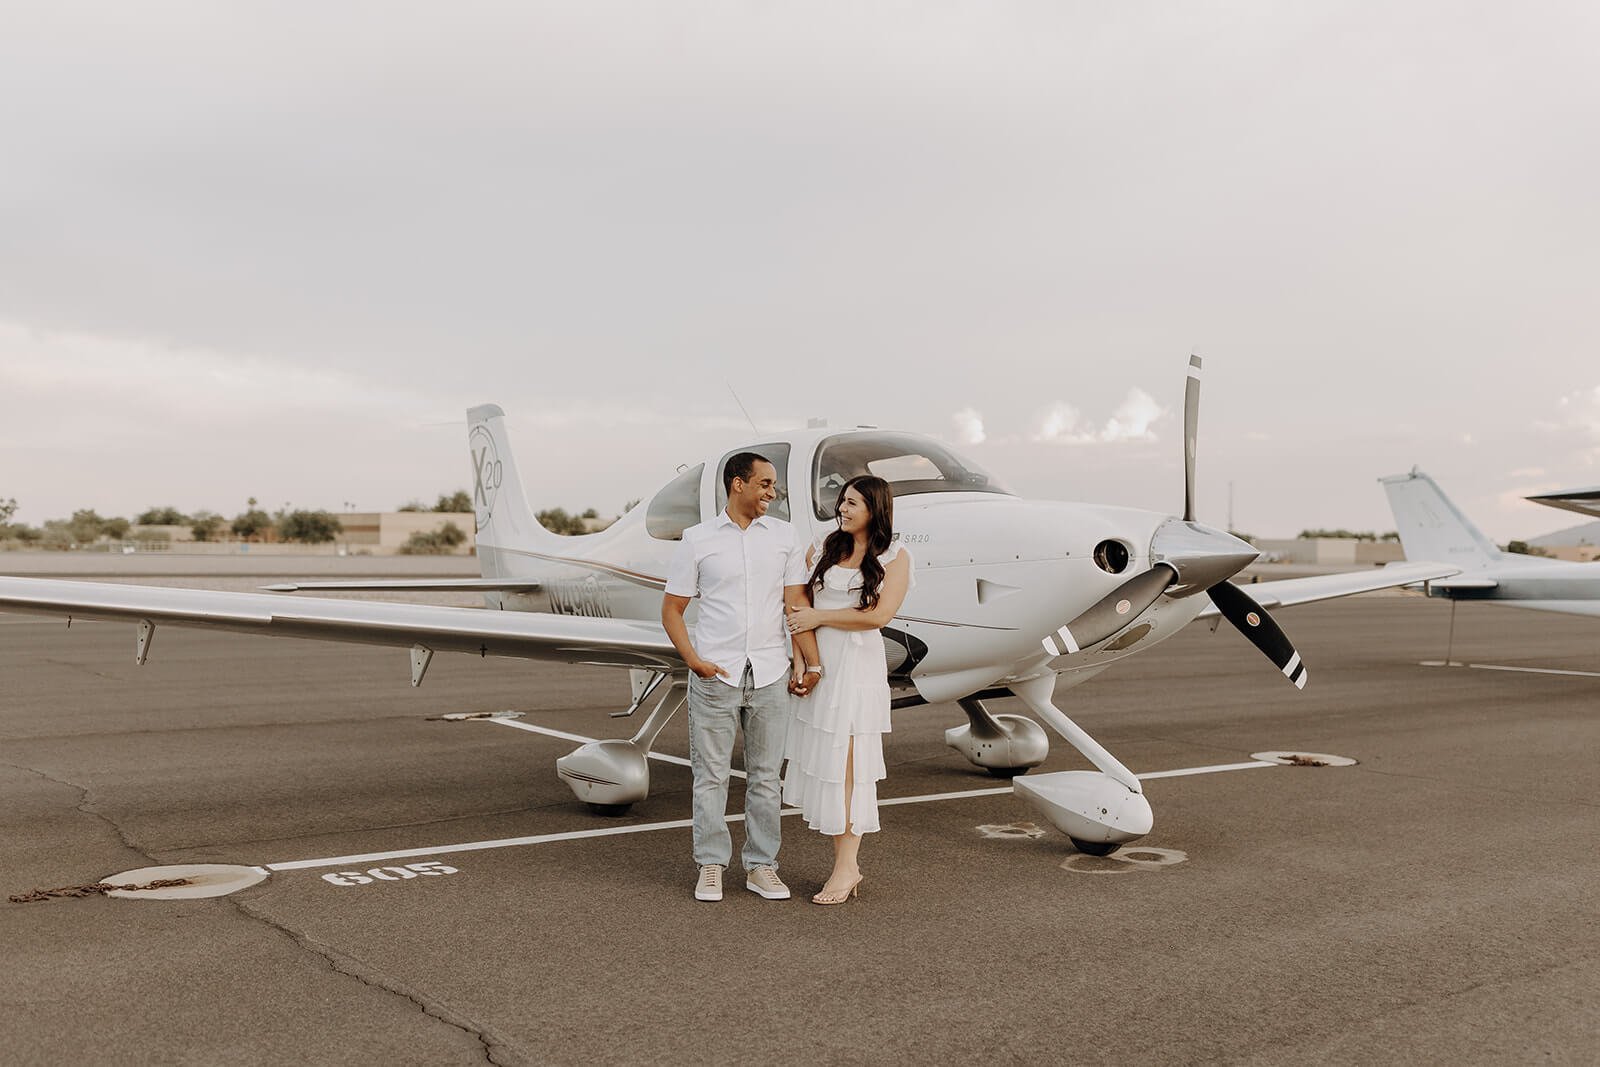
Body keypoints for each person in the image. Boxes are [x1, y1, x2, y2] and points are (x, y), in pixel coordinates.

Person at [661, 452, 821, 903]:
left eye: (774, 486)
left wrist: (810, 663)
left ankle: (761, 866)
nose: (773, 492)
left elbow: (796, 607)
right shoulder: (697, 539)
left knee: (766, 778)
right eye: (766, 484)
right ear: (738, 485)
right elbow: (672, 609)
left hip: (771, 672)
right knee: (710, 777)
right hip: (716, 673)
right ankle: (710, 865)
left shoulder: (785, 537)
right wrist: (694, 660)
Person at [782, 475, 913, 905]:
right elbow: (798, 607)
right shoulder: (823, 545)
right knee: (827, 768)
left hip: (857, 671)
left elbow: (878, 616)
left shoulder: (895, 557)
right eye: (842, 501)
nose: (842, 508)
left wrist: (821, 619)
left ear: (875, 508)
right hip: (822, 667)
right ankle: (844, 864)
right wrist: (802, 663)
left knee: (851, 773)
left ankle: (846, 868)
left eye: (853, 502)